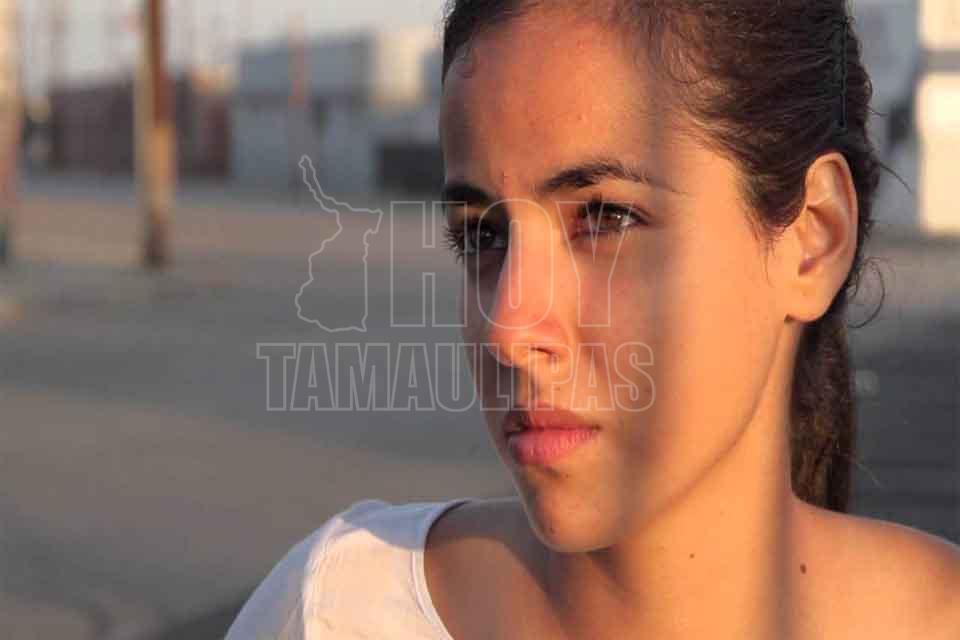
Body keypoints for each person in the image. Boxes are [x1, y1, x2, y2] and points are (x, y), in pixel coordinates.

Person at [225, 1, 960, 638]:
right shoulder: (334, 613)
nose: (508, 329)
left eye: (604, 218)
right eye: (482, 235)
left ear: (812, 240)